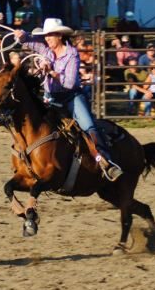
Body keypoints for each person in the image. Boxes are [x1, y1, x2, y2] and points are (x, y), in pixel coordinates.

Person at [13, 18, 121, 180]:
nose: (47, 38)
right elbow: (28, 41)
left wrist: (51, 72)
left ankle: (106, 161)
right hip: (51, 98)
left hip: (72, 97)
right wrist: (21, 35)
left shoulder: (72, 54)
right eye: (46, 35)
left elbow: (69, 83)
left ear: (59, 36)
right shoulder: (46, 49)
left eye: (50, 35)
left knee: (88, 125)